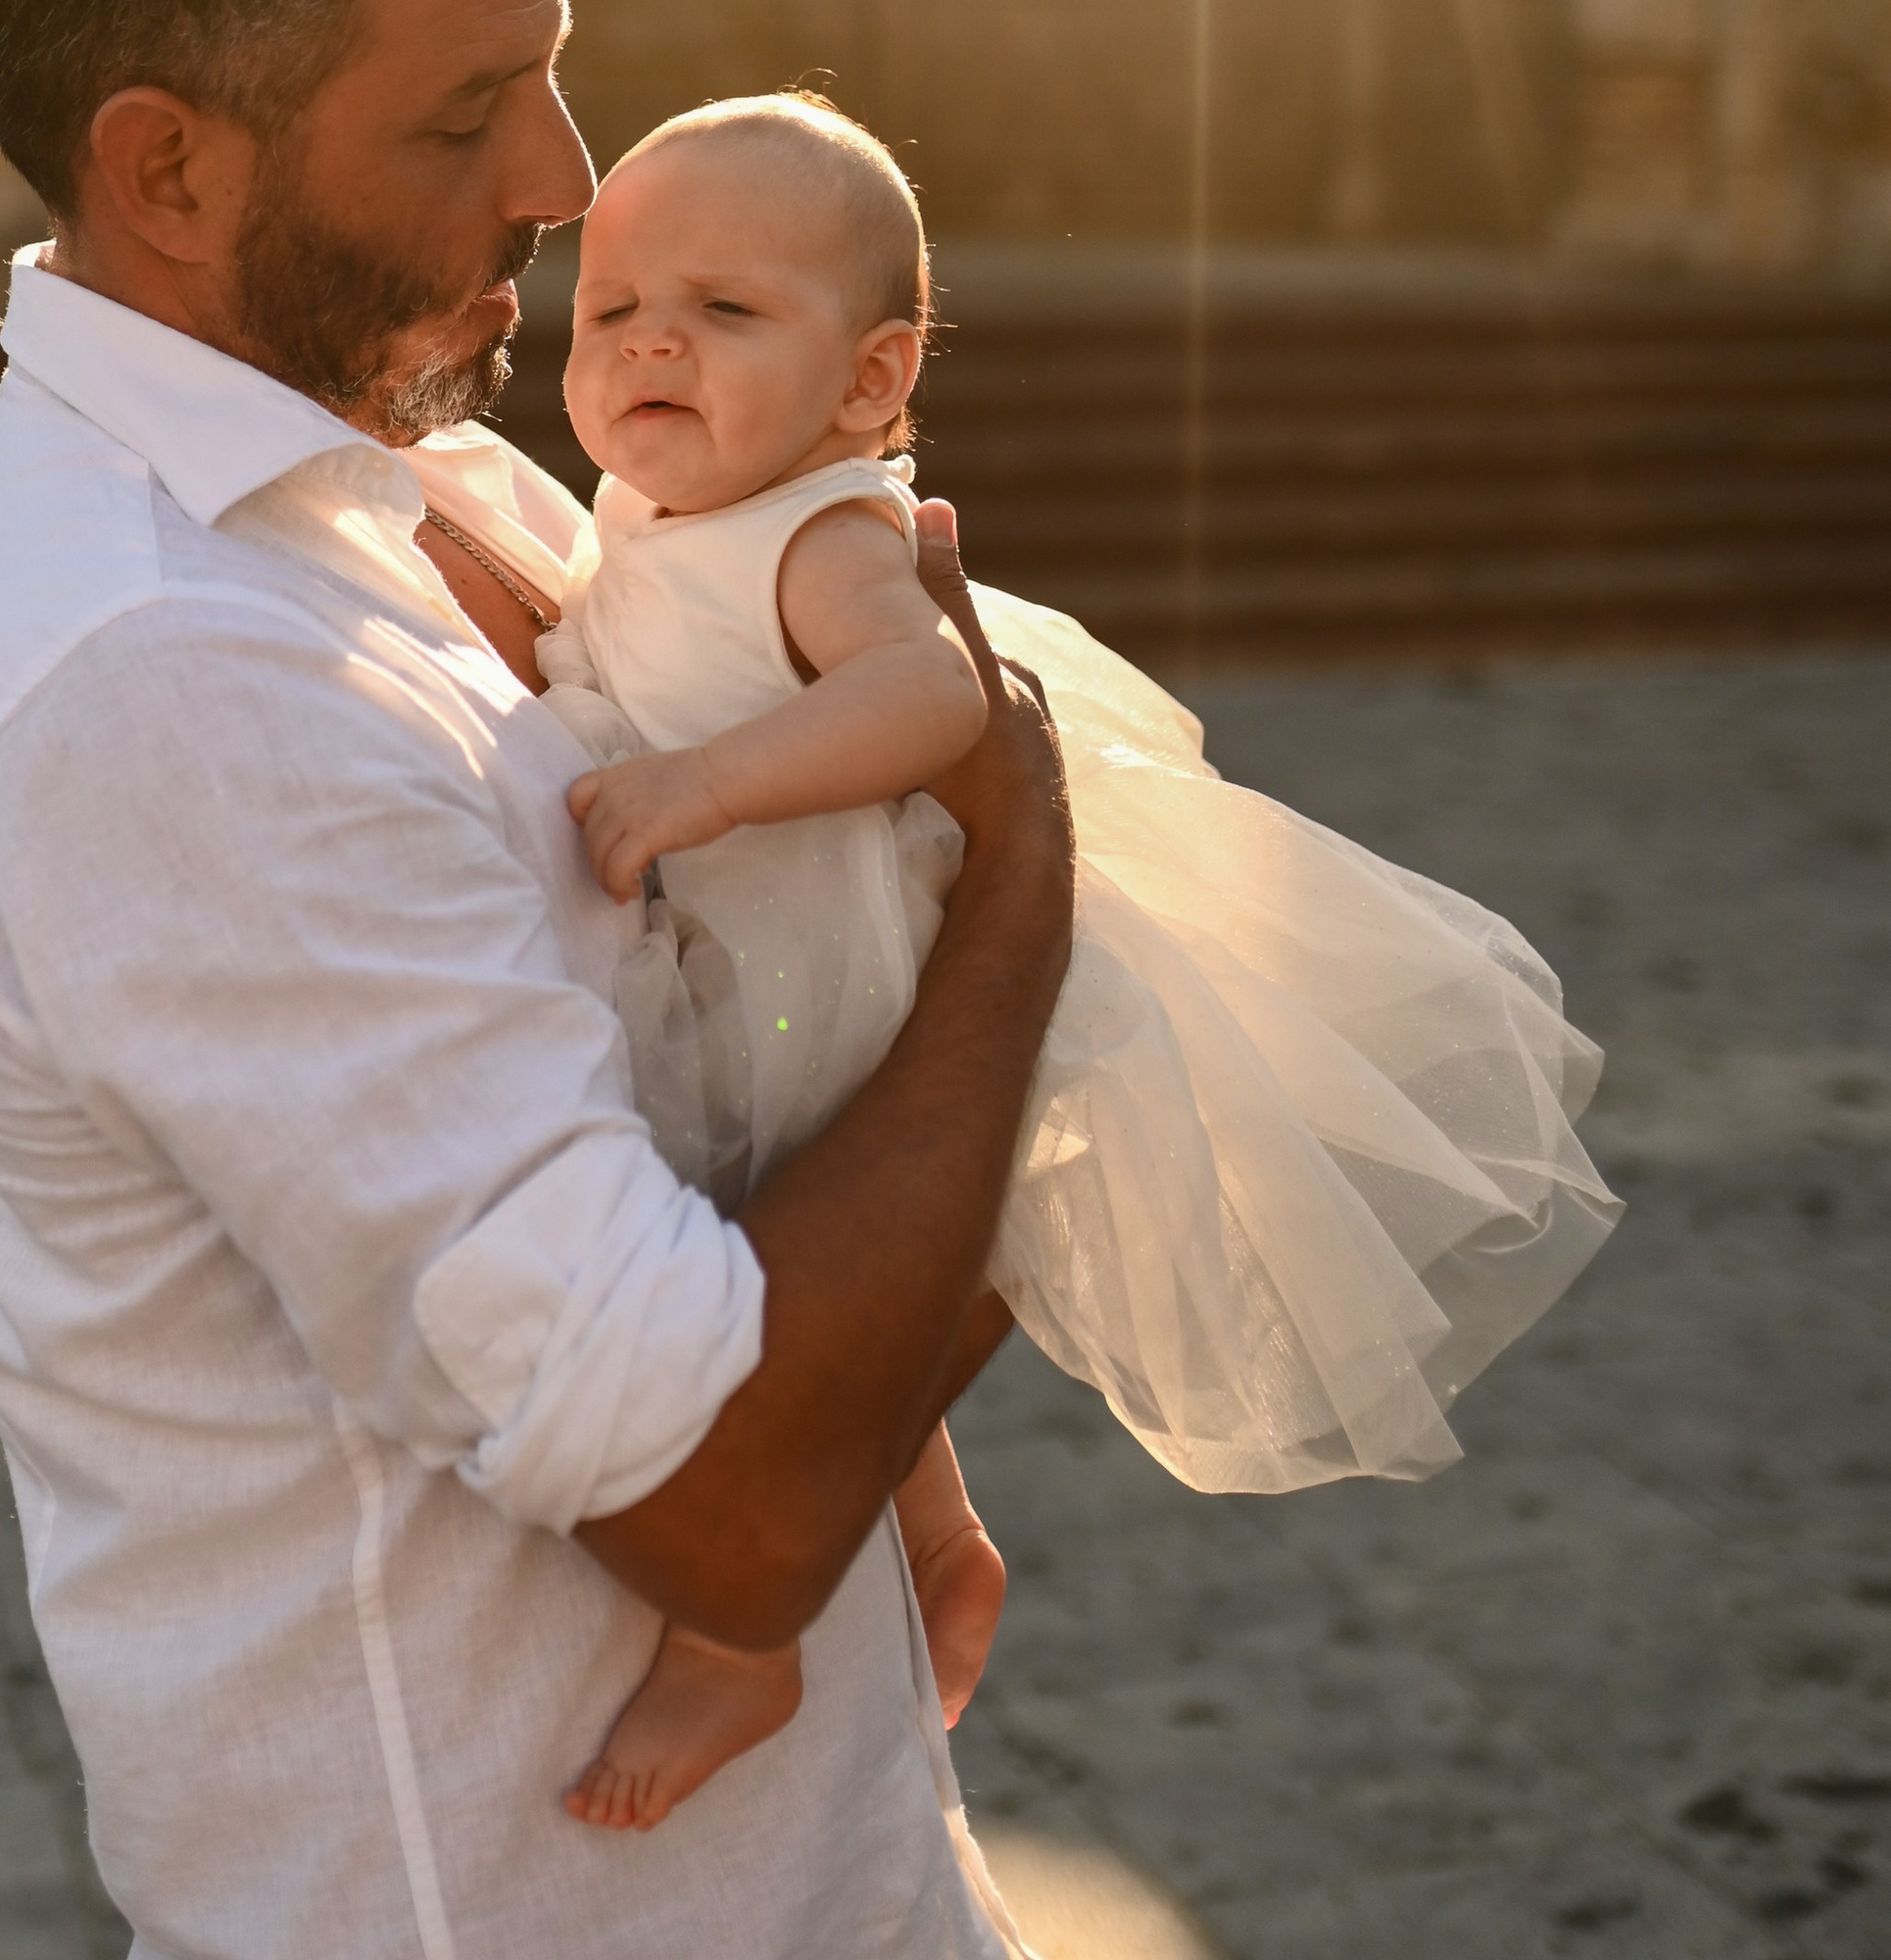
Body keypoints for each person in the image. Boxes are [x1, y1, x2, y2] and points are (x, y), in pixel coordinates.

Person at [0, 0, 1077, 1960]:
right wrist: (1029, 892)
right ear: (170, 171)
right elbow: (727, 1480)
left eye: (553, 60)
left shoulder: (444, 507)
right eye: (464, 110)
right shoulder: (164, 677)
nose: (567, 171)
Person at [537, 92, 1622, 1839]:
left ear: (872, 383)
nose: (651, 338)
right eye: (608, 312)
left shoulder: (822, 537)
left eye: (727, 312)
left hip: (837, 977)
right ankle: (944, 1546)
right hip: (760, 966)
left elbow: (931, 699)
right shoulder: (653, 507)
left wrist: (704, 782)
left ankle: (743, 1637)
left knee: (765, 1295)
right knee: (820, 1309)